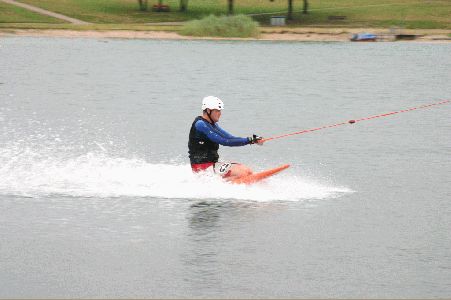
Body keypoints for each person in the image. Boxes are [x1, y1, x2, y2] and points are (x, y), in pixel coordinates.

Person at [188, 96, 263, 180]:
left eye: (220, 111)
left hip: (211, 165)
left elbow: (230, 138)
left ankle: (227, 183)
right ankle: (225, 185)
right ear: (208, 110)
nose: (220, 113)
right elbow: (225, 141)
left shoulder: (213, 125)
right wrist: (249, 140)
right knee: (243, 171)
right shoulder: (200, 124)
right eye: (217, 111)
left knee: (248, 171)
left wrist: (252, 140)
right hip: (201, 168)